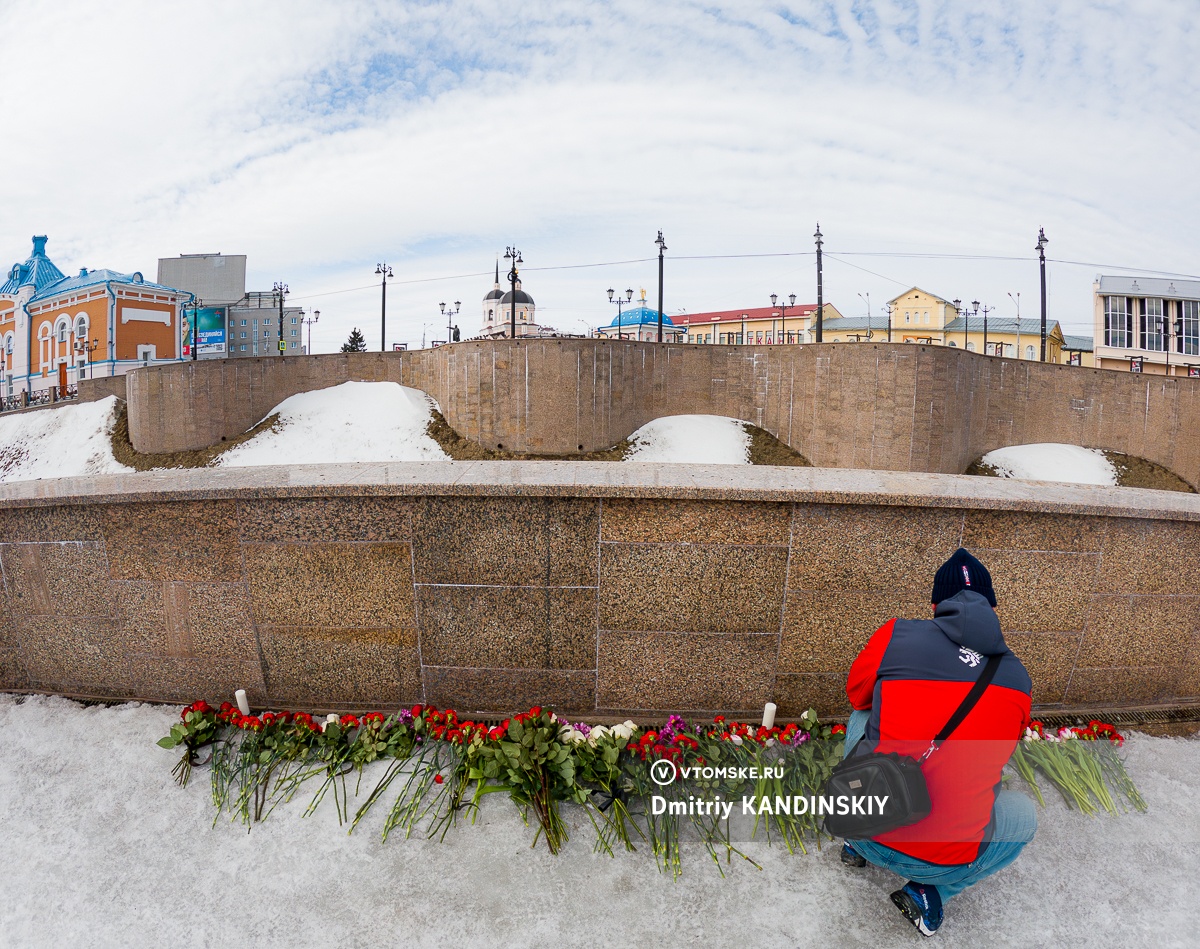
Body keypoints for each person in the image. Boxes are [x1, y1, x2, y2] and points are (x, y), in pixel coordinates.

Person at [839, 548, 1036, 937]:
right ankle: (931, 892)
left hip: (862, 823)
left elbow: (856, 694)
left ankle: (854, 843)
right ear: (994, 607)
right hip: (941, 860)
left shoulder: (896, 634)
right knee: (1022, 816)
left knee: (864, 714)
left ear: (935, 604)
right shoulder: (1018, 679)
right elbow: (1003, 751)